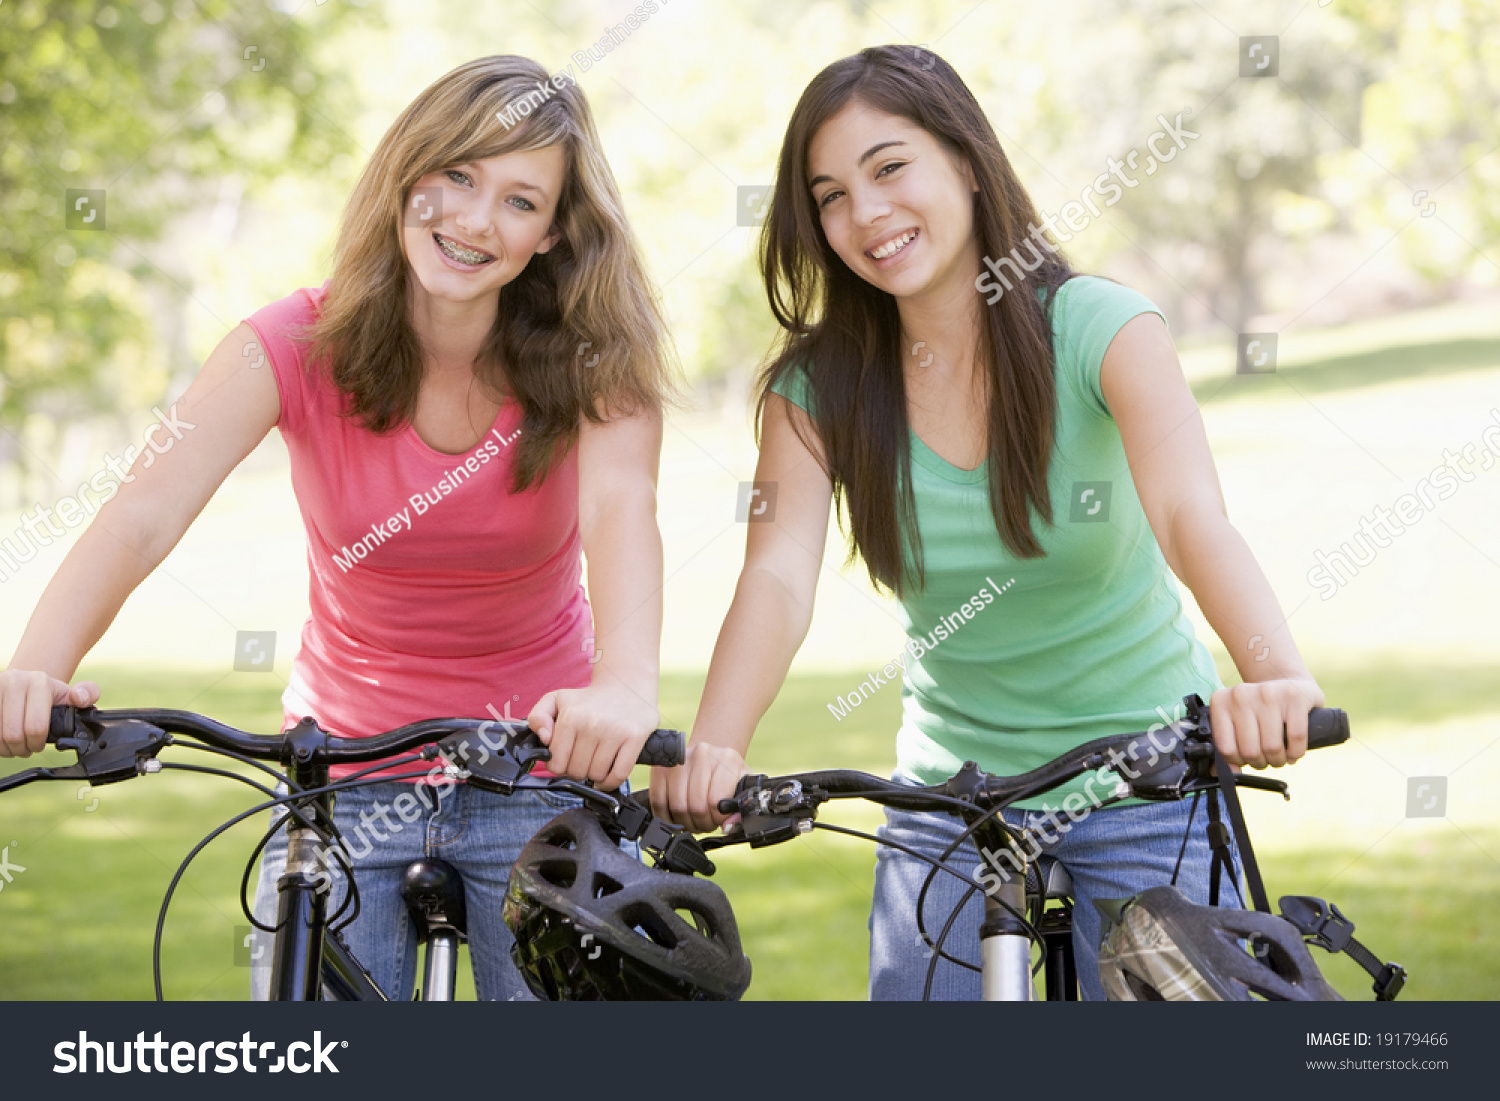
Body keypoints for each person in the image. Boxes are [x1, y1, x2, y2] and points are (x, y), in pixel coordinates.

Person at [650, 45, 1324, 1001]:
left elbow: (1188, 517)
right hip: (948, 802)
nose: (866, 213)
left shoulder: (1103, 329)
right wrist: (715, 746)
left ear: (965, 159)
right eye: (831, 195)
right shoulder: (815, 392)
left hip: (1145, 779)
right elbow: (777, 576)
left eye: (890, 168)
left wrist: (1275, 675)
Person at [0, 55, 675, 1001]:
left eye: (521, 201)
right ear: (408, 175)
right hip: (344, 774)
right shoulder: (291, 342)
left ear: (554, 233)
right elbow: (143, 512)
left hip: (534, 768)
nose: (476, 220)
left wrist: (626, 685)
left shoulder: (596, 357)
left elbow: (620, 509)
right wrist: (34, 666)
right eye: (458, 175)